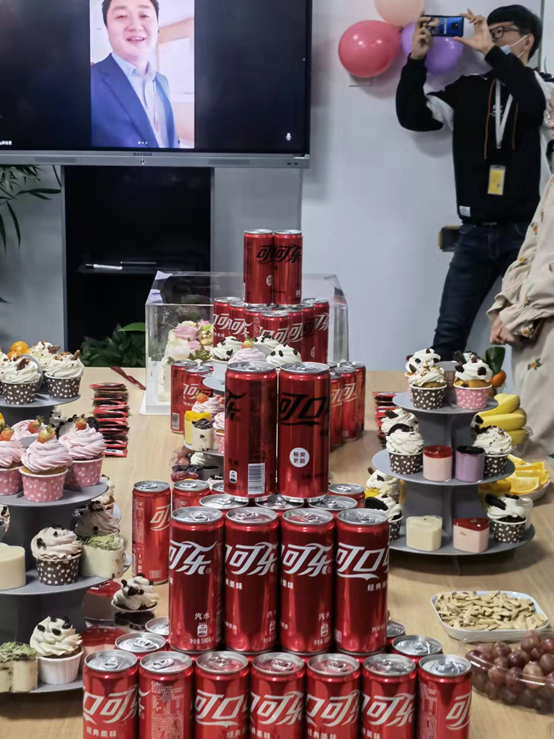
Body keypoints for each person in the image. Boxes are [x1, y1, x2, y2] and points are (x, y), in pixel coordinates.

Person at [396, 6, 553, 361]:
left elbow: (532, 107)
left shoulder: (545, 87)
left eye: (500, 32)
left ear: (527, 40)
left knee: (530, 335)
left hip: (529, 236)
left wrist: (493, 52)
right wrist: (416, 61)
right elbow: (413, 116)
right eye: (487, 31)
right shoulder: (468, 88)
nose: (489, 38)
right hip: (474, 234)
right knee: (447, 337)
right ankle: (440, 398)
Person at [488, 94, 554, 459]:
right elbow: (531, 249)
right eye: (551, 111)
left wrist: (519, 313)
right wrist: (506, 305)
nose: (550, 122)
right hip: (533, 336)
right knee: (526, 441)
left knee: (541, 451)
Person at [91, 0, 178, 149]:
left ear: (157, 27)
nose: (135, 26)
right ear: (107, 29)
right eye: (121, 16)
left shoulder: (162, 81)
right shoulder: (88, 81)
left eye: (144, 15)